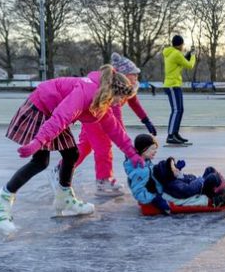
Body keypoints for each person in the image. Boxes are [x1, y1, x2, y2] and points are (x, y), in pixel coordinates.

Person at [0, 65, 144, 236]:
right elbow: (60, 118)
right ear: (113, 91)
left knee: (71, 154)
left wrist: (132, 154)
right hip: (41, 108)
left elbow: (115, 130)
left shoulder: (101, 102)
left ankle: (64, 199)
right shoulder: (86, 92)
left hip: (52, 110)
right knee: (40, 162)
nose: (119, 104)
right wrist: (38, 141)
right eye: (120, 99)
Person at [47, 53, 157, 197]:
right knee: (103, 147)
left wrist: (146, 120)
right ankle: (103, 180)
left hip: (97, 117)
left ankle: (61, 168)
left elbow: (135, 104)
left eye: (137, 74)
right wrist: (127, 148)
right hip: (95, 118)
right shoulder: (115, 89)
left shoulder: (128, 87)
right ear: (123, 75)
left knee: (85, 147)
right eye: (133, 74)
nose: (136, 77)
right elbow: (117, 121)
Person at [153, 157, 225, 207]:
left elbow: (189, 178)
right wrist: (200, 180)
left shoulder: (175, 179)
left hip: (199, 185)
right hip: (200, 191)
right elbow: (188, 190)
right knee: (212, 177)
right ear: (169, 174)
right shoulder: (173, 185)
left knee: (209, 169)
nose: (176, 168)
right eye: (174, 169)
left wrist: (185, 175)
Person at [123, 134, 171, 215]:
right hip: (154, 195)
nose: (155, 151)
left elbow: (153, 176)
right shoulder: (140, 171)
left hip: (161, 190)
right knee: (183, 188)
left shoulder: (146, 162)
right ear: (143, 149)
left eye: (155, 149)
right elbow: (138, 192)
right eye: (152, 149)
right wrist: (155, 199)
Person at [162, 35, 196, 145]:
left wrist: (188, 55)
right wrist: (193, 55)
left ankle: (175, 134)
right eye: (182, 44)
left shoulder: (172, 53)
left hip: (174, 84)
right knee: (176, 110)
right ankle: (171, 135)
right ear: (180, 45)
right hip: (172, 85)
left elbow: (180, 63)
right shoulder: (176, 54)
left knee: (180, 110)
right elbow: (190, 65)